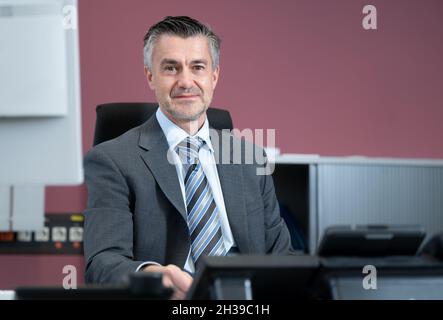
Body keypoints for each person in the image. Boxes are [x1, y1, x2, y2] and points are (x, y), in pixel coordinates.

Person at [83, 16, 294, 300]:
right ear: (150, 76)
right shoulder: (112, 160)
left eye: (198, 67)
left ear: (214, 76)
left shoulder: (250, 159)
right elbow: (102, 264)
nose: (185, 81)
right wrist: (153, 277)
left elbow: (282, 258)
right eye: (171, 68)